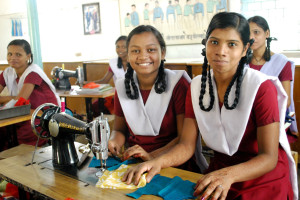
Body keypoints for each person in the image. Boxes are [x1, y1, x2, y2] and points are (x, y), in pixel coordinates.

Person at [122, 12, 298, 200]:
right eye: (214, 42)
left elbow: (269, 158)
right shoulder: (197, 87)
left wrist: (229, 175)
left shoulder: (262, 88)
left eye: (232, 44)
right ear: (205, 44)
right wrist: (157, 162)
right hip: (218, 173)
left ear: (245, 48)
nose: (221, 51)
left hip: (261, 180)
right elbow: (186, 145)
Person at [108, 25, 198, 171]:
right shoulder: (122, 86)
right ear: (128, 55)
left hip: (172, 163)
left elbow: (183, 139)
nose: (143, 56)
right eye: (135, 51)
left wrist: (150, 156)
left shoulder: (179, 84)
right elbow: (119, 130)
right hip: (134, 162)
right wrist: (113, 142)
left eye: (151, 50)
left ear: (162, 53)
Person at [0, 39, 60, 149]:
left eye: (18, 54)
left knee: (23, 134)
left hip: (43, 115)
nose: (13, 58)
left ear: (28, 56)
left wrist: (7, 98)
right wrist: (11, 98)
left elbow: (19, 101)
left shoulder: (33, 73)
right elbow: (18, 101)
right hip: (24, 112)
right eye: (10, 54)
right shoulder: (7, 73)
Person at [247, 15, 298, 142]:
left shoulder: (281, 63)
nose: (251, 37)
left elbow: (285, 100)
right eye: (248, 33)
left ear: (267, 33)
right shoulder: (241, 64)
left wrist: (260, 112)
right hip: (246, 115)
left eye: (256, 32)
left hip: (273, 117)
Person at [87, 36, 128, 116]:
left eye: (123, 47)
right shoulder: (114, 63)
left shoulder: (136, 62)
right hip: (117, 95)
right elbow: (104, 81)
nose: (120, 50)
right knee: (94, 107)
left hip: (132, 96)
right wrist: (87, 83)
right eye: (117, 47)